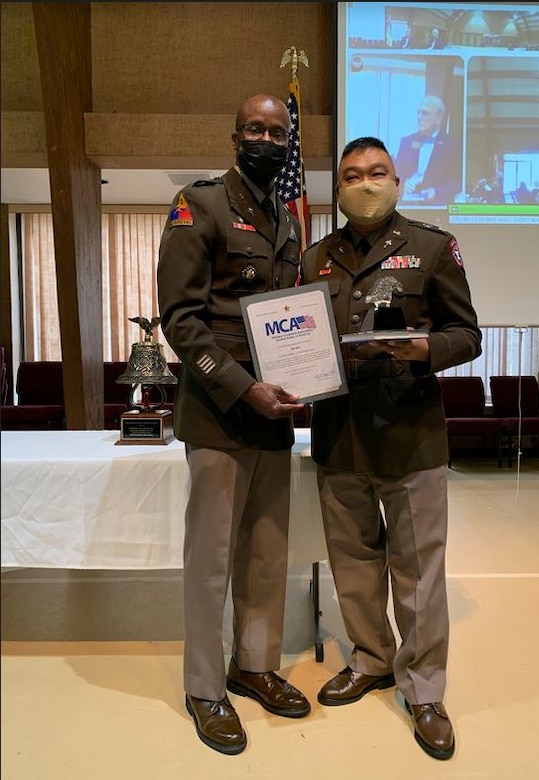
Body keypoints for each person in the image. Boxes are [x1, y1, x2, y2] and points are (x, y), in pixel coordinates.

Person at [300, 137, 481, 761]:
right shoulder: (315, 256)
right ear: (341, 187)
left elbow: (468, 333)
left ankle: (425, 689)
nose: (364, 183)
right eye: (352, 175)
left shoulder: (433, 247)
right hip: (339, 433)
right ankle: (373, 660)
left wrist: (424, 349)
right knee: (352, 566)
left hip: (411, 436)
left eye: (377, 172)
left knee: (420, 574)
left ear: (398, 180)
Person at [157, 93, 311, 756]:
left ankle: (253, 665)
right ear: (234, 134)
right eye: (255, 128)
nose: (267, 139)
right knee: (212, 554)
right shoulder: (201, 205)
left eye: (277, 131)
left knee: (267, 548)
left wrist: (304, 376)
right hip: (220, 409)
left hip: (271, 411)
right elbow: (180, 320)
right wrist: (244, 386)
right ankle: (202, 687)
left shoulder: (285, 217)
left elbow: (288, 319)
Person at [394, 96, 461, 206]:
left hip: (436, 209)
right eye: (418, 113)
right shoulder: (406, 142)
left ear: (439, 118)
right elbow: (397, 174)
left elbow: (457, 181)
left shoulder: (452, 145)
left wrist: (436, 192)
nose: (419, 117)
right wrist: (403, 184)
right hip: (407, 208)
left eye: (425, 113)